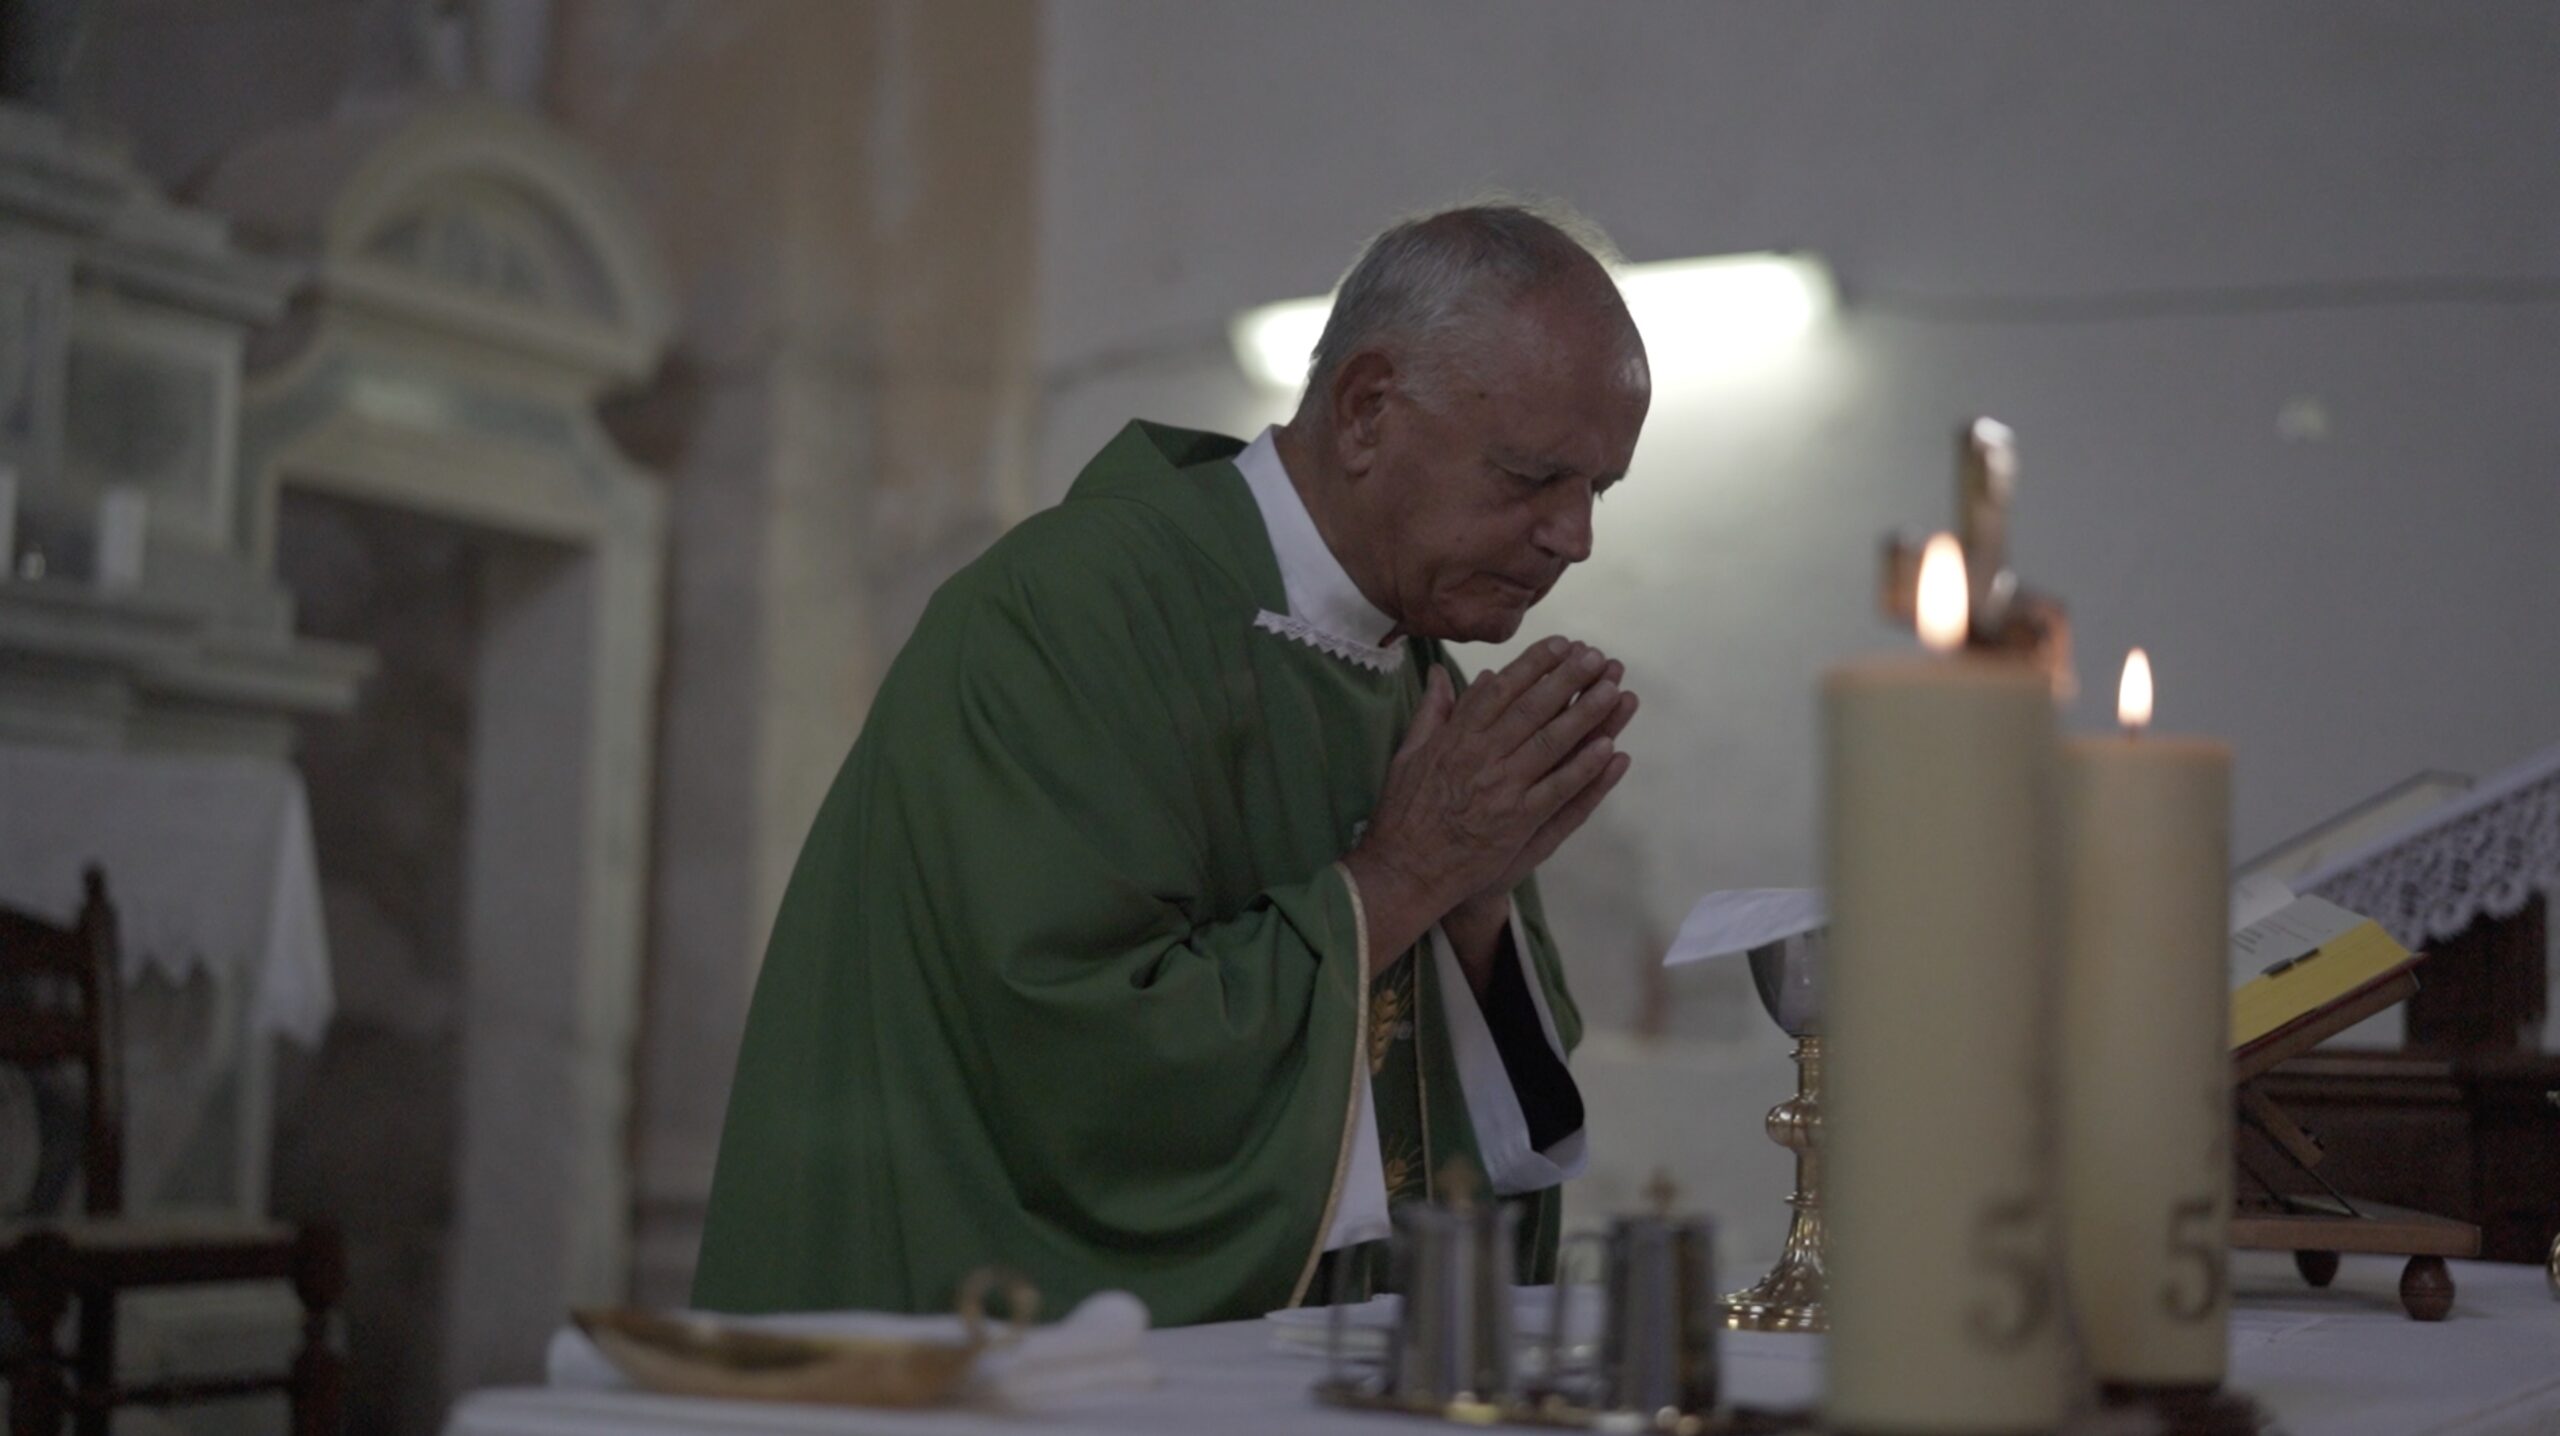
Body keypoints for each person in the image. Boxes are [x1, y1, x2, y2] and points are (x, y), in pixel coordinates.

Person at [692, 203, 1652, 1326]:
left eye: (1599, 489)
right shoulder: (1071, 611)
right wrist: (1402, 877)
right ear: (1366, 407)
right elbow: (1067, 1057)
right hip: (993, 1349)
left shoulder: (1409, 663)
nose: (1573, 536)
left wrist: (1472, 909)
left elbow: (1463, 1113)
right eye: (1532, 477)